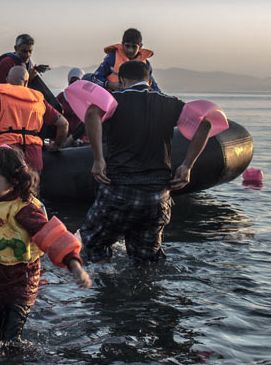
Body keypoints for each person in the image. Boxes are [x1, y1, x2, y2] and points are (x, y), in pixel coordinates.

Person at [0, 146, 91, 341]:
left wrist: (74, 264)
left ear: (13, 182)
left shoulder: (25, 210)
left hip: (20, 281)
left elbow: (52, 237)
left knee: (11, 338)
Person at [81, 60, 214, 264]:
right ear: (149, 80)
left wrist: (98, 160)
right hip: (156, 194)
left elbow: (91, 113)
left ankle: (103, 290)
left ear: (122, 80)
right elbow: (205, 124)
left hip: (119, 189)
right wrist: (187, 166)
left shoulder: (115, 100)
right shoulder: (170, 102)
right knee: (146, 260)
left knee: (93, 246)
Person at [0, 65, 68, 173]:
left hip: (6, 156)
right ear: (26, 82)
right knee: (31, 189)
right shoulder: (39, 101)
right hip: (33, 158)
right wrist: (57, 145)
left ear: (7, 80)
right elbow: (63, 124)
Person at [90, 28, 161, 92]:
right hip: (114, 96)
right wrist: (109, 84)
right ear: (122, 44)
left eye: (134, 47)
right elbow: (95, 78)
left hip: (137, 99)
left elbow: (154, 86)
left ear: (140, 46)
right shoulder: (112, 58)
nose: (130, 50)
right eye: (127, 46)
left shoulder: (145, 64)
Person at [55, 67, 88, 143]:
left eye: (77, 81)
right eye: (72, 82)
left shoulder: (86, 99)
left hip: (81, 140)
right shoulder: (61, 97)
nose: (74, 84)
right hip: (64, 137)